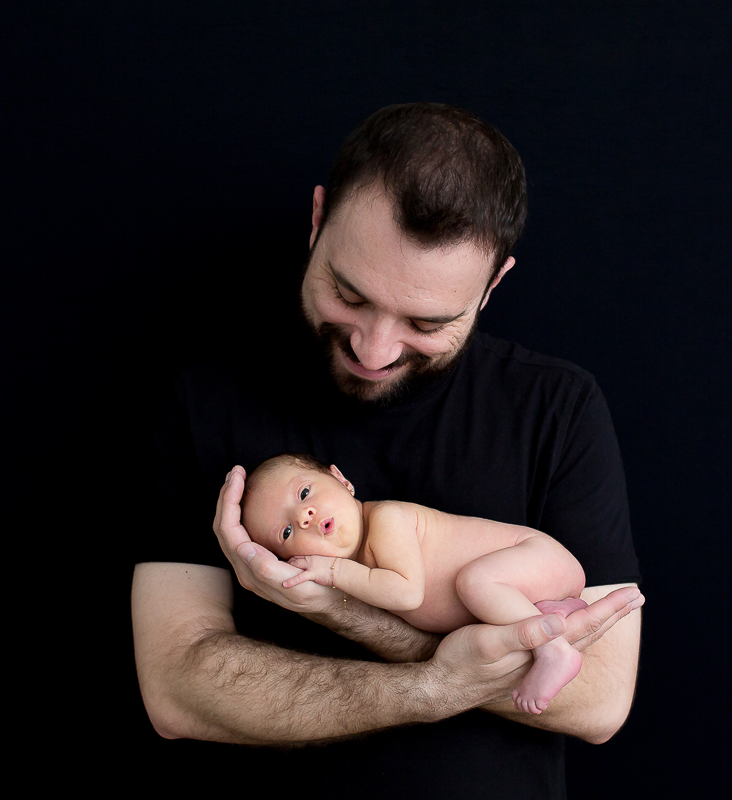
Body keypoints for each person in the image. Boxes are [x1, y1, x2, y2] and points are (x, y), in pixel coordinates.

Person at [132, 103, 643, 799]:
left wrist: (353, 616)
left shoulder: (556, 407)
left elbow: (601, 700)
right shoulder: (204, 404)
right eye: (348, 294)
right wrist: (432, 686)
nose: (375, 350)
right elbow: (177, 692)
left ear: (493, 284)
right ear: (317, 220)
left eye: (427, 322)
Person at [240, 452, 603, 715]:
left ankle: (554, 650)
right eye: (286, 532)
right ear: (289, 559)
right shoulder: (362, 567)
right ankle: (555, 611)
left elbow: (407, 592)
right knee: (480, 592)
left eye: (304, 494)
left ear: (342, 481)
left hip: (535, 555)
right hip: (532, 585)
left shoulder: (386, 518)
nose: (304, 516)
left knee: (476, 581)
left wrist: (334, 573)